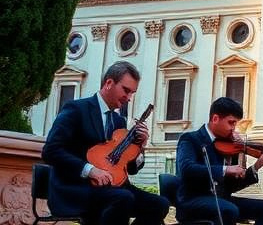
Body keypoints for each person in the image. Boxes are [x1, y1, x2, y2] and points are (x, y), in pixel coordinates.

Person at [42, 61, 169, 225]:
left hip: (112, 188)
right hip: (76, 188)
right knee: (123, 198)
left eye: (132, 93)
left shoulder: (118, 121)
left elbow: (130, 169)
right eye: (126, 90)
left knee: (159, 204)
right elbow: (51, 151)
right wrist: (90, 170)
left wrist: (140, 147)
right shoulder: (76, 109)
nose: (129, 98)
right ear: (109, 83)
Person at [175, 97, 263, 225]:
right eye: (231, 123)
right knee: (229, 209)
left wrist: (257, 165)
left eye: (235, 124)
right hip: (192, 201)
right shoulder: (190, 139)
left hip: (221, 200)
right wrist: (226, 169)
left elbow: (231, 186)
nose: (234, 128)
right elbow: (186, 169)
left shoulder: (227, 145)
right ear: (215, 119)